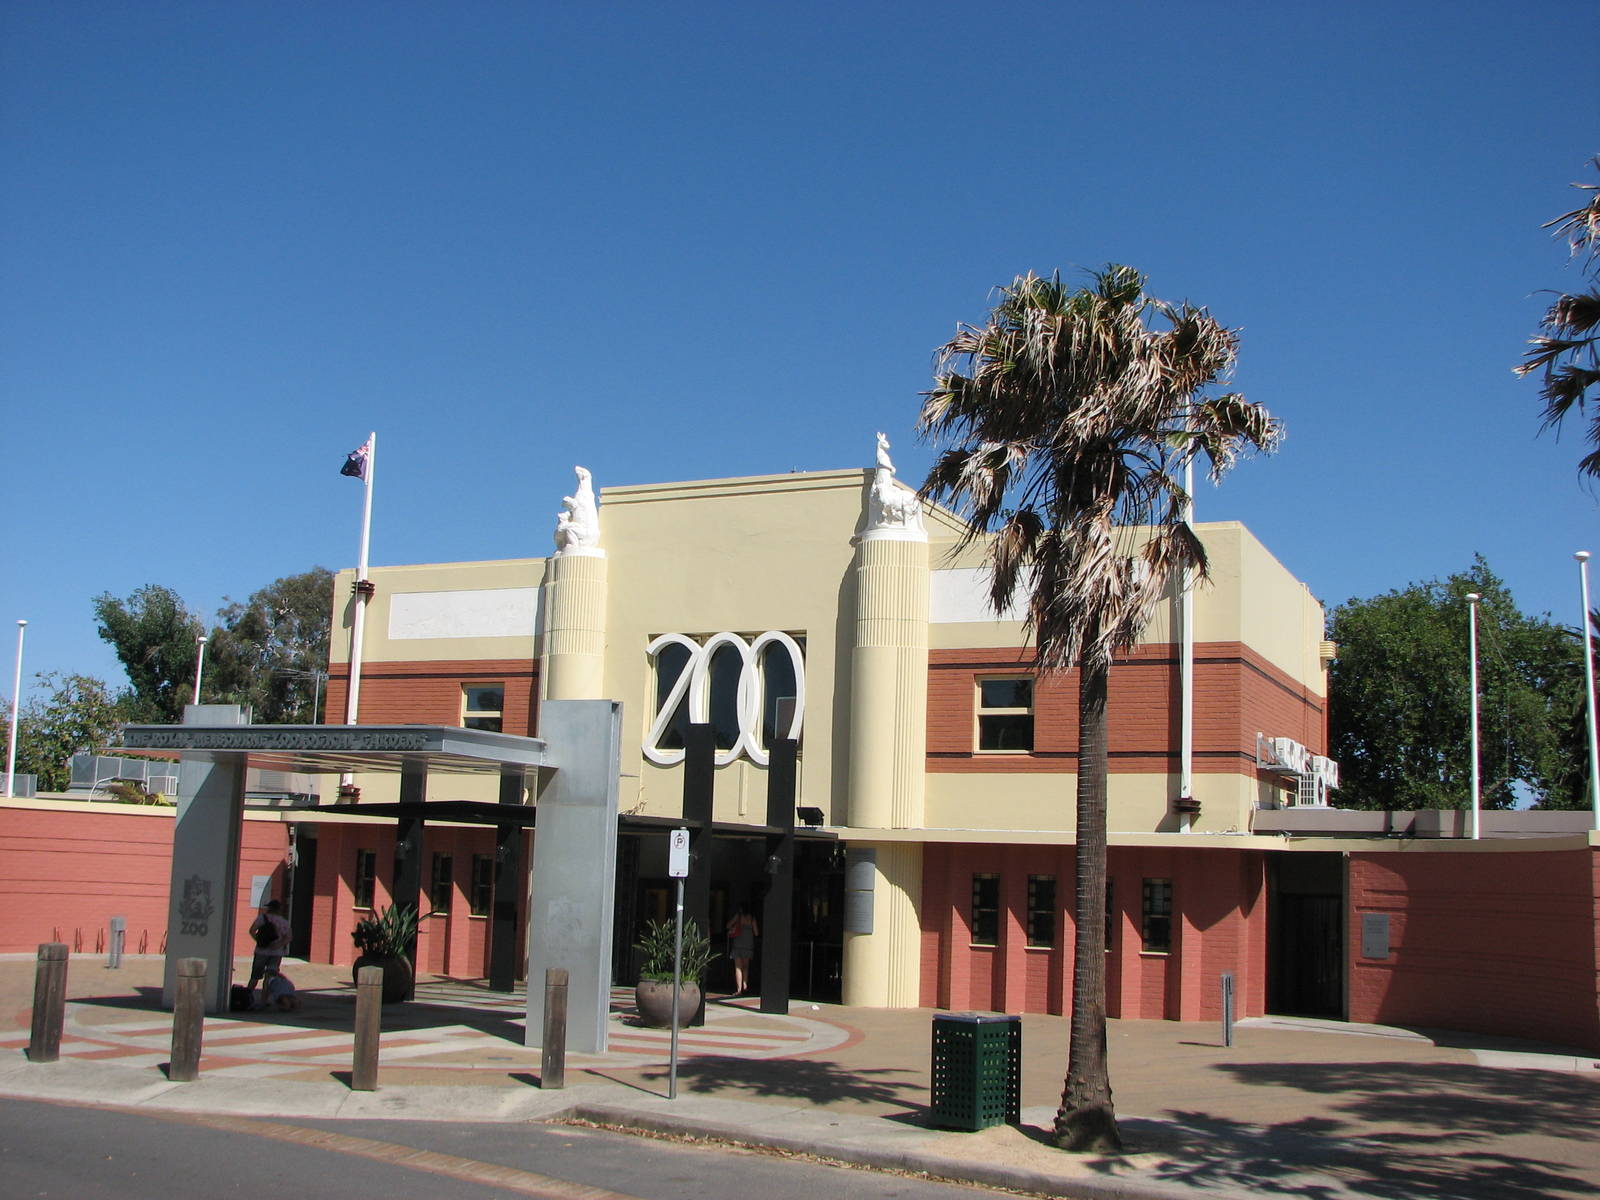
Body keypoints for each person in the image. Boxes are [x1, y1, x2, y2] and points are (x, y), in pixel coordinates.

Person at [246, 898, 292, 1001]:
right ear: (279, 909)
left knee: (255, 976)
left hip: (261, 951)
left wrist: (259, 941)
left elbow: (252, 931)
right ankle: (263, 1000)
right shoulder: (283, 922)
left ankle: (246, 997)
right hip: (276, 952)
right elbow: (288, 937)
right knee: (269, 978)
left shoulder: (261, 918)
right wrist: (278, 944)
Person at [725, 902, 759, 997]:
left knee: (738, 967)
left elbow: (728, 925)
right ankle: (745, 986)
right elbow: (756, 933)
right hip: (748, 945)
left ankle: (739, 989)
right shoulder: (752, 918)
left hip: (738, 944)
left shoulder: (738, 916)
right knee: (746, 967)